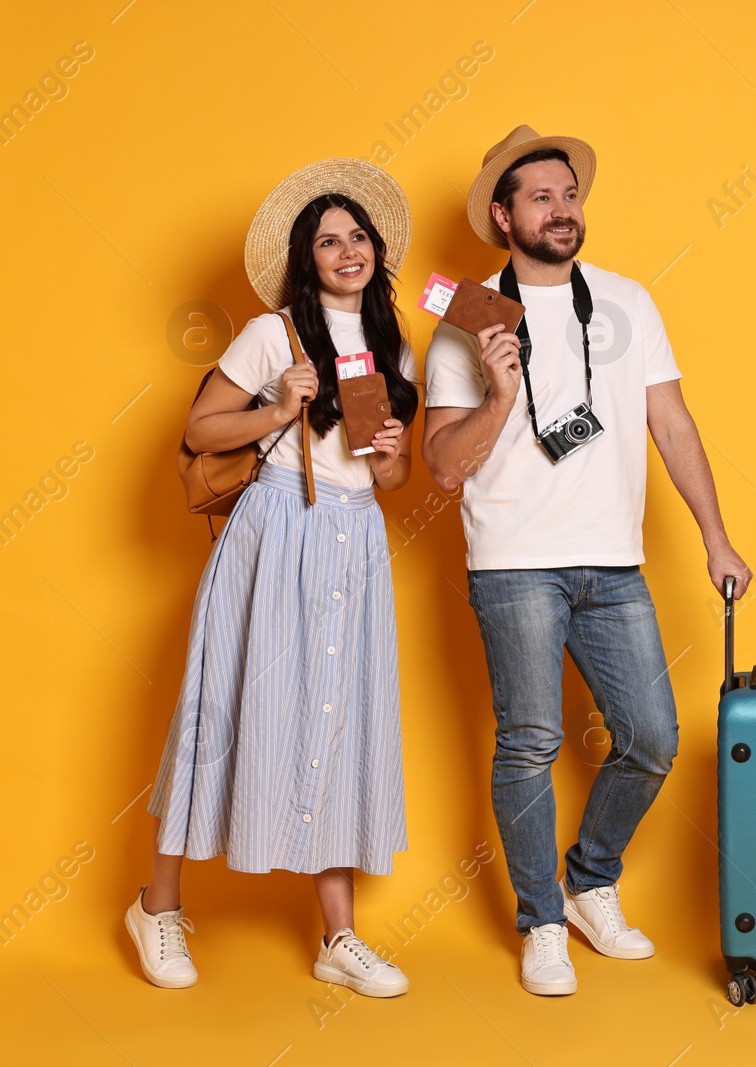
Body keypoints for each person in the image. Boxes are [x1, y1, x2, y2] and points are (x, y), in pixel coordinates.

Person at [422, 125, 752, 996]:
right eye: (541, 197)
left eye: (570, 195)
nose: (563, 210)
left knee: (650, 737)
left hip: (614, 562)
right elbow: (443, 464)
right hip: (515, 564)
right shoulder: (466, 320)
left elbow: (672, 423)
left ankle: (589, 881)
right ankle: (541, 923)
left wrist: (716, 536)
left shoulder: (626, 302)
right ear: (503, 215)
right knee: (529, 744)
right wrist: (498, 390)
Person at [129, 159, 421, 997]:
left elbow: (386, 480)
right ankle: (159, 905)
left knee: (340, 716)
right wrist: (278, 407)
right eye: (328, 241)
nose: (346, 250)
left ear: (375, 249)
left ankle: (338, 937)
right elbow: (199, 425)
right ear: (307, 258)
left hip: (354, 536)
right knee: (216, 709)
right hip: (274, 532)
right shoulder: (273, 332)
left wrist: (395, 458)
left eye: (357, 236)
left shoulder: (392, 340)